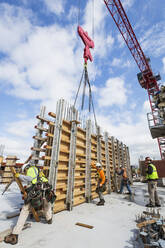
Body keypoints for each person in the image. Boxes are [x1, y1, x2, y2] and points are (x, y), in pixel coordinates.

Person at [4, 161, 56, 245]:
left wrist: (19, 176)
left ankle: (15, 235)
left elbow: (30, 179)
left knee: (25, 210)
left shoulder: (31, 169)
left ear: (27, 168)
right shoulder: (38, 171)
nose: (25, 172)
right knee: (47, 206)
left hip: (37, 191)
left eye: (25, 170)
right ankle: (49, 219)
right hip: (46, 189)